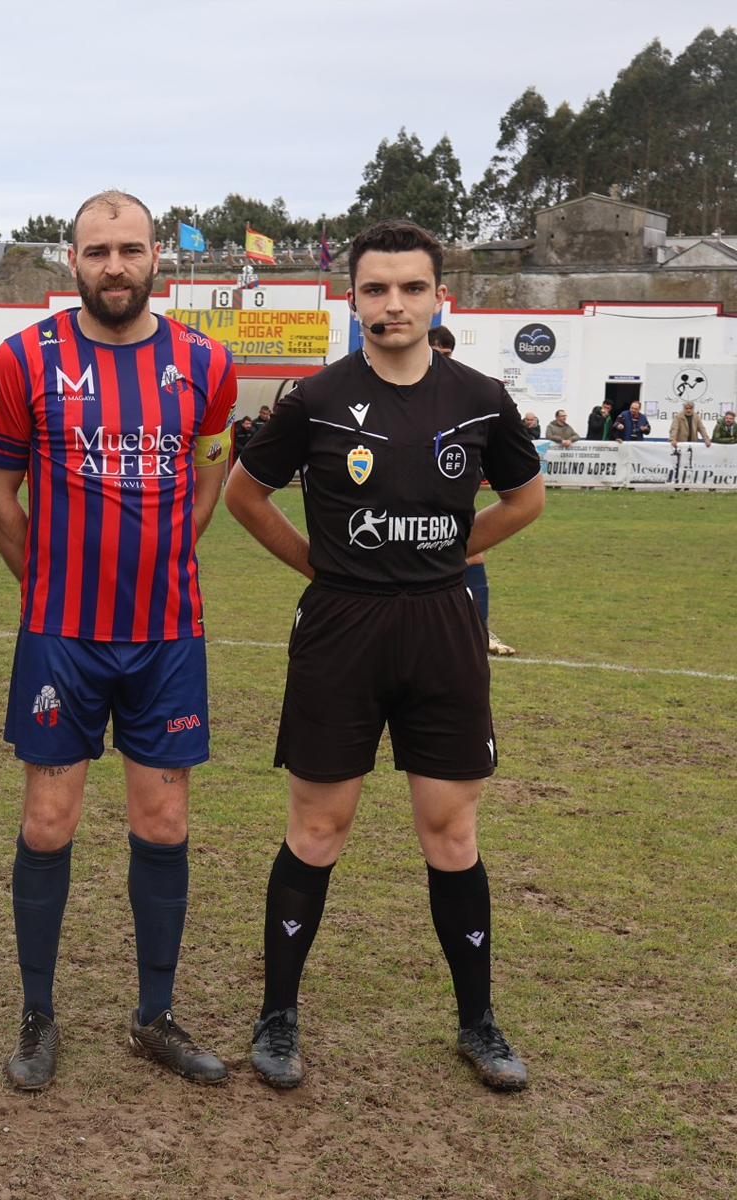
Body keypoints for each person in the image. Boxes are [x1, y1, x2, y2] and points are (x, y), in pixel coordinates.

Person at [225, 219, 544, 1094]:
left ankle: (477, 1022)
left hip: (442, 628)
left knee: (452, 830)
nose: (393, 304)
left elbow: (525, 500)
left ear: (440, 297)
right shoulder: (315, 399)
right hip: (342, 629)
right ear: (353, 298)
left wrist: (449, 554)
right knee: (317, 828)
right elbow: (245, 497)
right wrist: (321, 566)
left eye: (410, 288)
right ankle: (278, 1016)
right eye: (375, 288)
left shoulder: (481, 398)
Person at [0, 189, 236, 1091]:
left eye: (129, 249)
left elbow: (212, 466)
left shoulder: (206, 361)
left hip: (167, 636)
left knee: (163, 822)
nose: (114, 266)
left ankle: (154, 1016)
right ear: (73, 260)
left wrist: (175, 547)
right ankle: (38, 1014)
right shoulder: (23, 360)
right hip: (63, 637)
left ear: (156, 255)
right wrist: (45, 582)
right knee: (48, 822)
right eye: (97, 251)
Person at [429, 331, 516, 658]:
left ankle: (479, 629)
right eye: (436, 352)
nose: (441, 360)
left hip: (447, 495)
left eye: (447, 354)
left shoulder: (463, 393)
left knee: (471, 554)